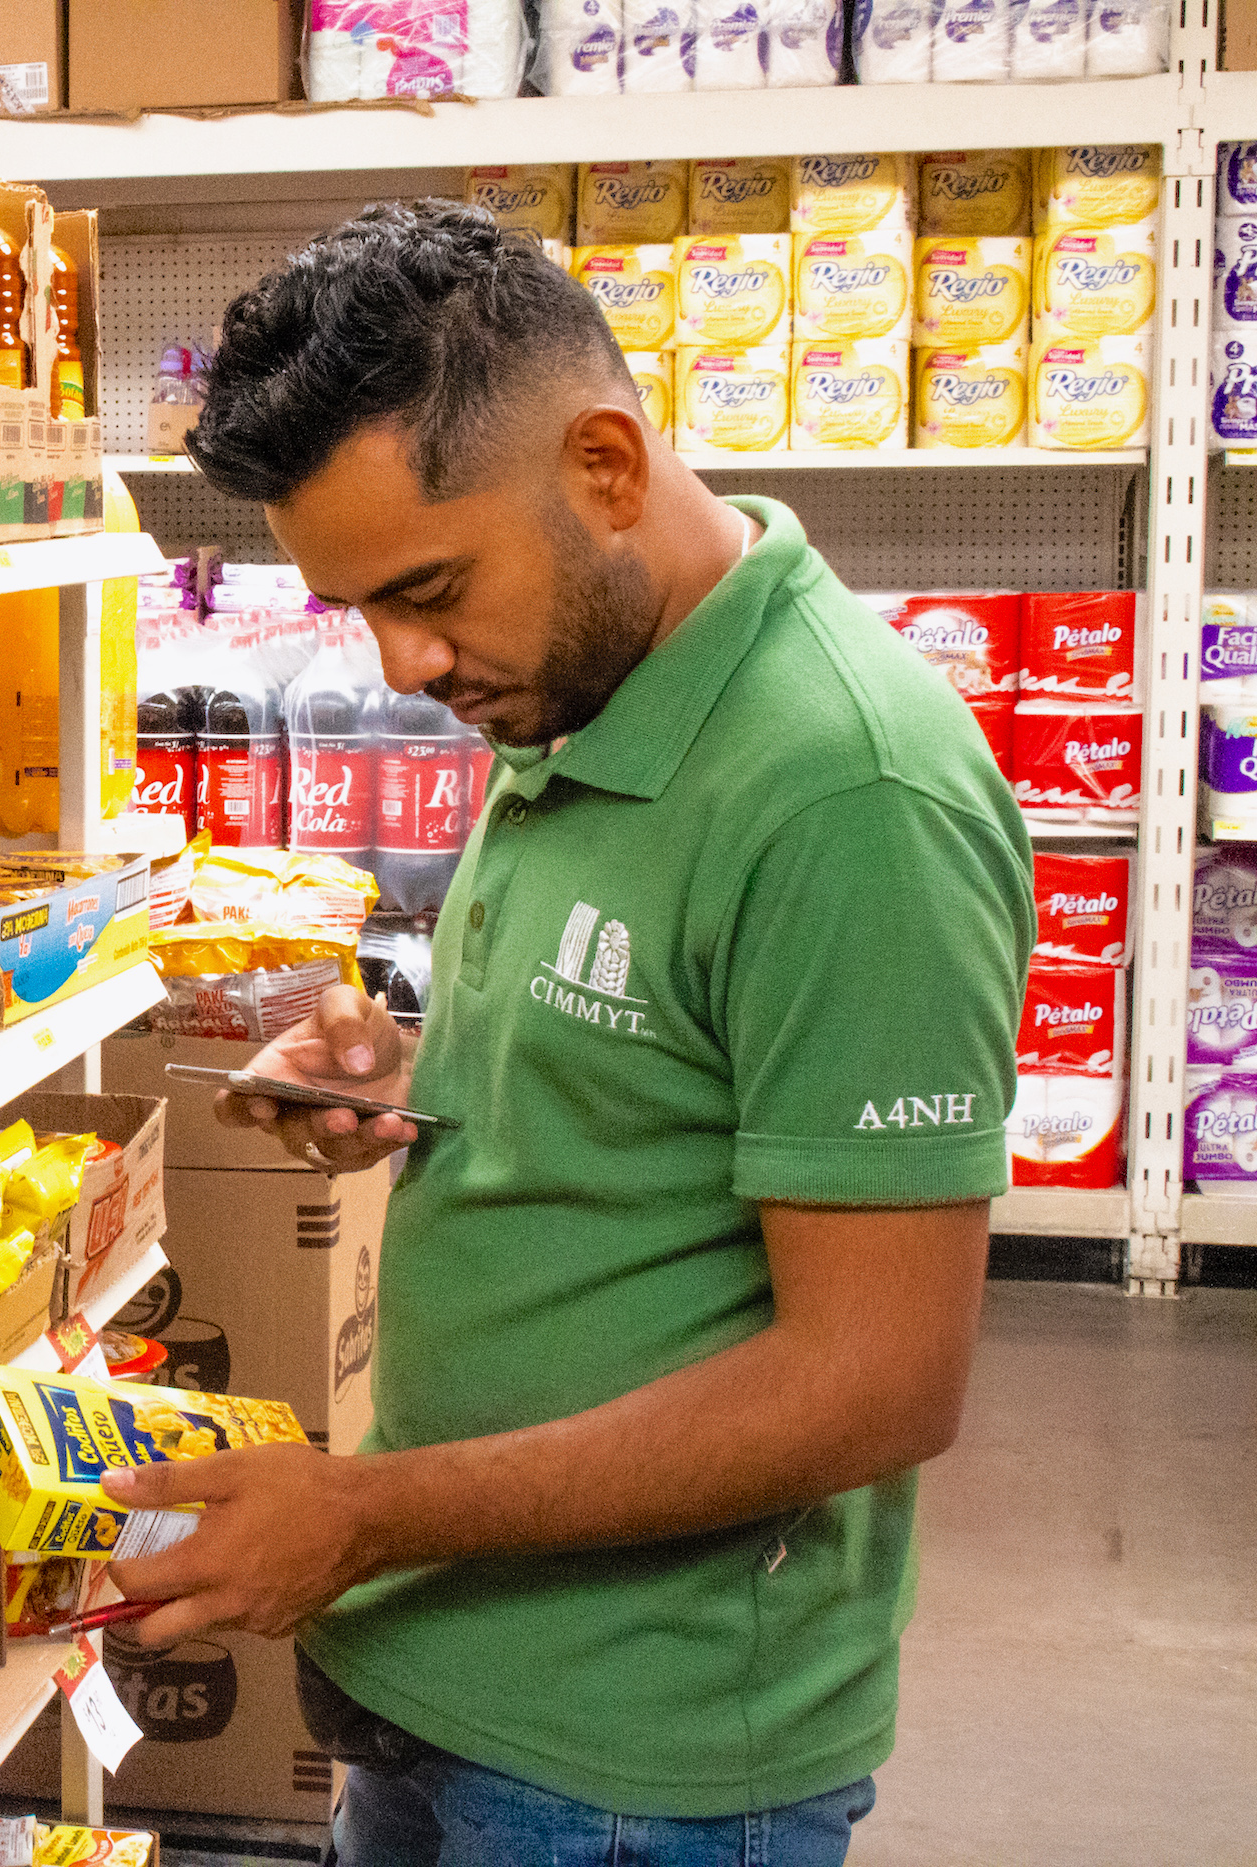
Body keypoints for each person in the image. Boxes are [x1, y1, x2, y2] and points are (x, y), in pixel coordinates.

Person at [101, 200, 1033, 1865]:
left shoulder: (845, 789)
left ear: (606, 466)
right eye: (355, 610)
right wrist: (410, 1073)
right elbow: (651, 1086)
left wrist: (363, 1515)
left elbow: (878, 1381)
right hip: (445, 1674)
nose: (402, 662)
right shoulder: (583, 685)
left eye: (430, 588)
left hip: (635, 1770)